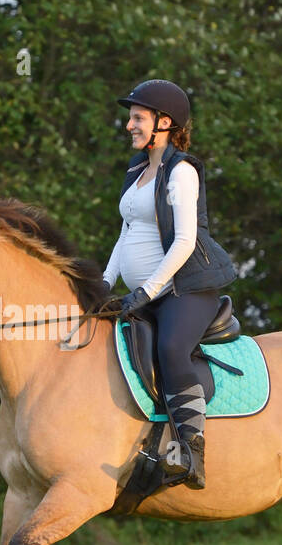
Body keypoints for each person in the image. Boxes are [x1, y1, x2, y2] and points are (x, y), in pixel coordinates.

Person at [101, 79, 239, 489]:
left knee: (171, 347)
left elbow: (184, 240)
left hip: (187, 288)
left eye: (137, 118)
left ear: (164, 122)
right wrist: (102, 283)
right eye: (131, 118)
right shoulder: (137, 171)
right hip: (150, 293)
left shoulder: (181, 172)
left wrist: (146, 291)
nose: (129, 125)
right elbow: (126, 234)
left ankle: (191, 452)